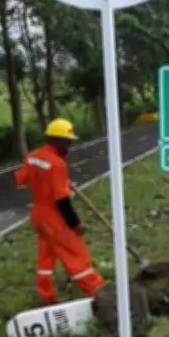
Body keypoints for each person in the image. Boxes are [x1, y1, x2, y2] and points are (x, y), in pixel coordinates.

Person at [15, 118, 106, 305]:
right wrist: (75, 223)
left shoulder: (32, 156)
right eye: (68, 141)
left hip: (39, 216)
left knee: (46, 259)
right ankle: (99, 293)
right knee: (76, 255)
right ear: (56, 140)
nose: (69, 146)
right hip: (54, 218)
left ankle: (47, 296)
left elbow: (21, 179)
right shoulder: (57, 164)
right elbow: (62, 200)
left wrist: (44, 180)